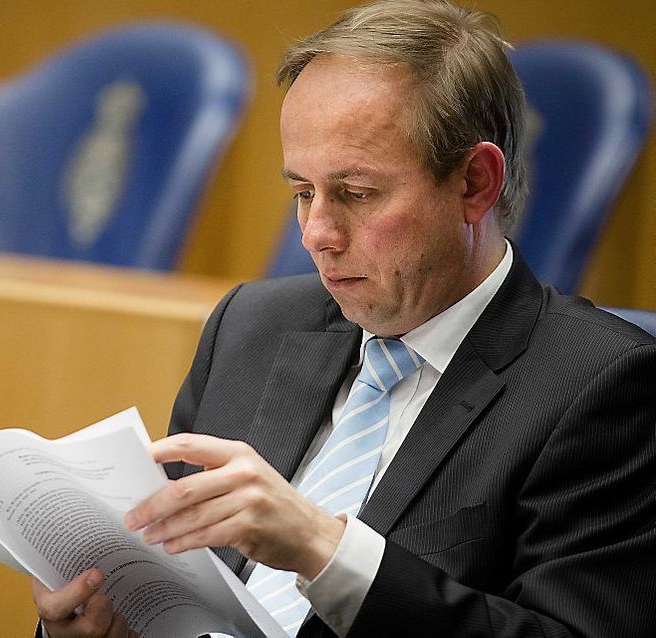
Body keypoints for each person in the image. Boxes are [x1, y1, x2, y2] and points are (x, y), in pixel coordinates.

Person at [32, 1, 656, 635]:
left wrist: (324, 551)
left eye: (356, 193)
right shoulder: (251, 327)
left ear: (475, 183)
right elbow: (171, 583)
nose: (317, 235)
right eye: (303, 193)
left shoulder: (600, 385)